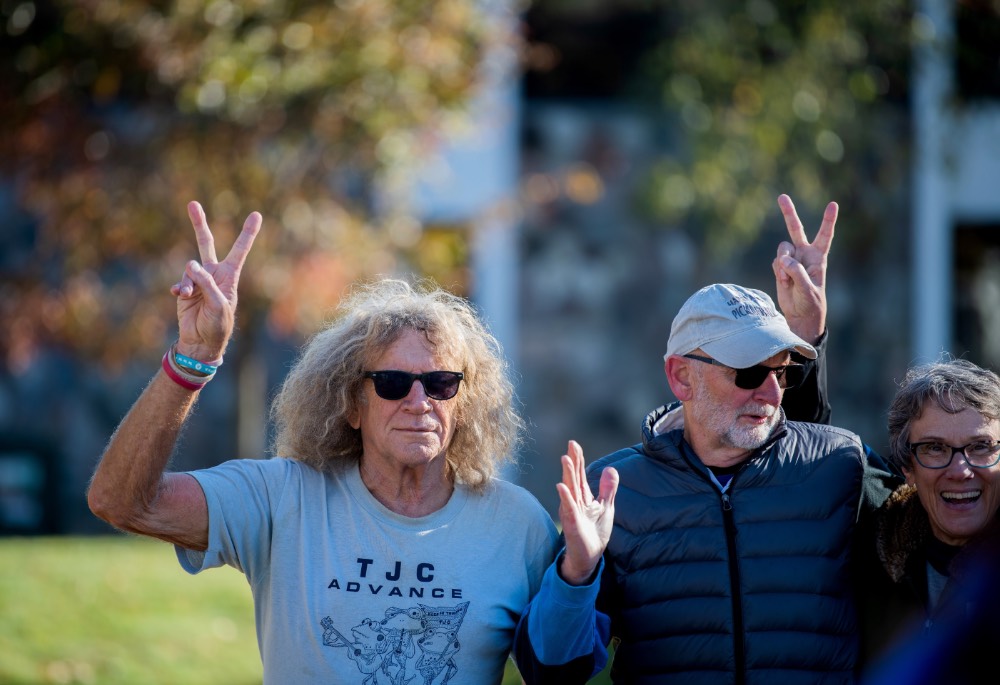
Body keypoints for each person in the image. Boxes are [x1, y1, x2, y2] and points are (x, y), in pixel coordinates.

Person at [86, 201, 562, 684]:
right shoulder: (282, 499)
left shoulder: (518, 526)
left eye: (441, 383)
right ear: (351, 405)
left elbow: (563, 668)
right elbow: (120, 501)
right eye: (393, 383)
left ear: (462, 403)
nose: (419, 402)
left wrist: (582, 572)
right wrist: (192, 359)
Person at [513, 195, 903, 684]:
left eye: (782, 371)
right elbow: (549, 672)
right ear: (680, 378)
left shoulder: (841, 465)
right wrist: (578, 572)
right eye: (746, 371)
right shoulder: (615, 491)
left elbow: (934, 548)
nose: (769, 390)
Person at [856, 357, 1000, 682]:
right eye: (935, 448)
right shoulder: (870, 549)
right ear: (908, 469)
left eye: (981, 446)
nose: (961, 471)